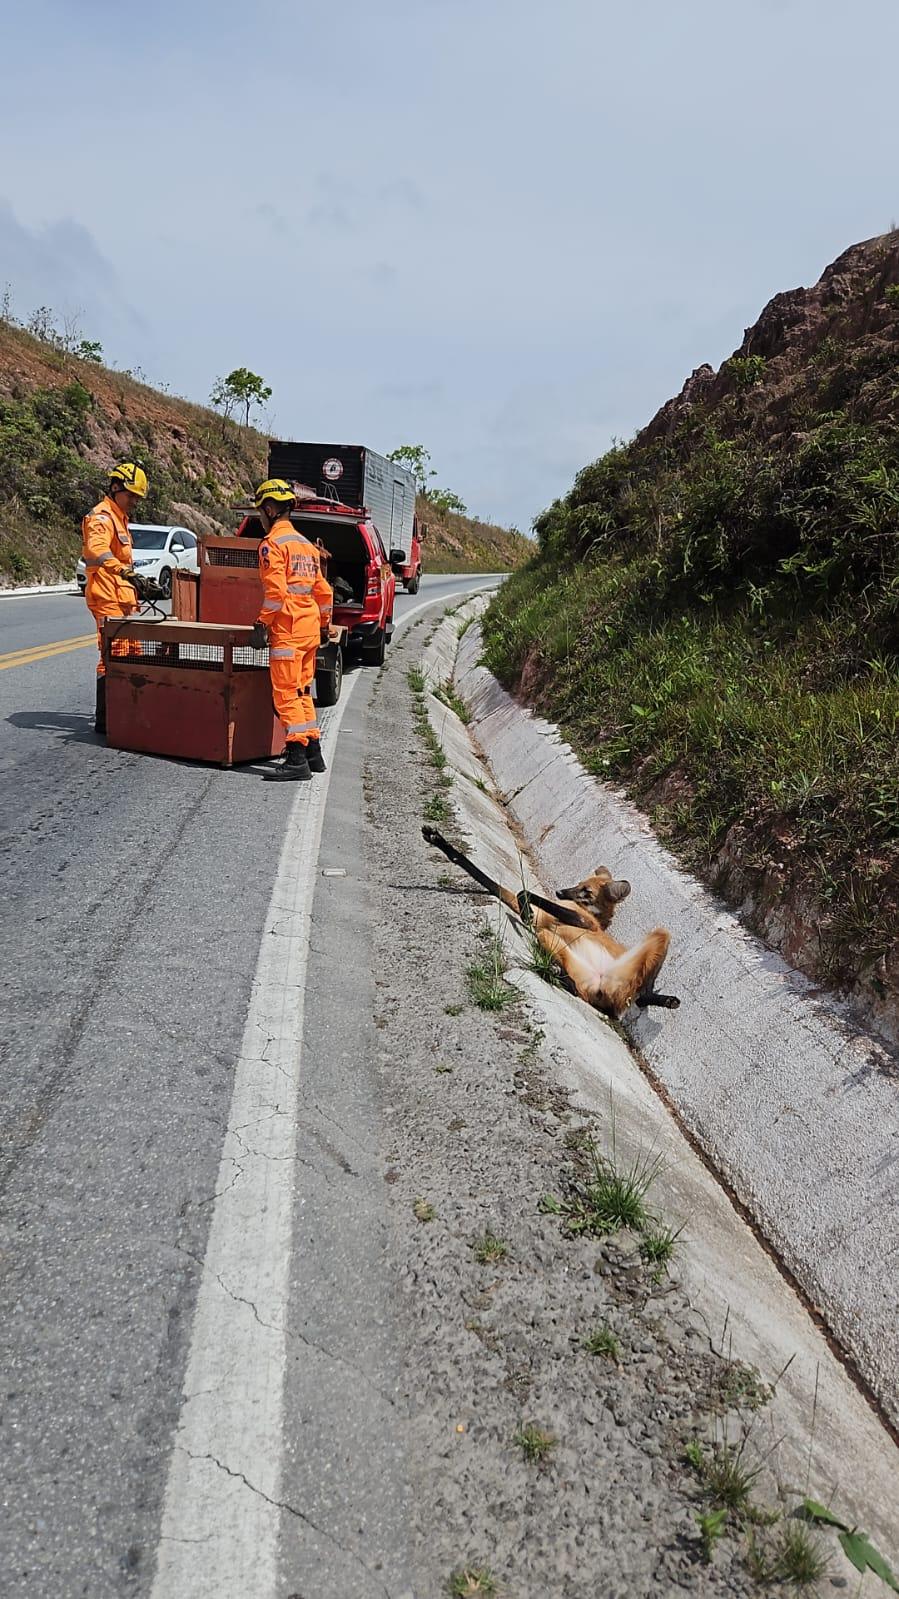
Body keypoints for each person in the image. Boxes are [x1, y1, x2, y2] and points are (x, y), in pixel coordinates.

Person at [250, 479, 333, 781]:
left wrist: (262, 624)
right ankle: (314, 752)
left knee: (285, 694)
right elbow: (324, 592)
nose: (260, 516)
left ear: (270, 509)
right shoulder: (307, 546)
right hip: (310, 628)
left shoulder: (272, 545)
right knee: (302, 692)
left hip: (288, 629)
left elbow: (275, 594)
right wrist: (324, 626)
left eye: (261, 511)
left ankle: (296, 757)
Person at [81, 462, 149, 733]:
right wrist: (123, 571)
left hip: (122, 597)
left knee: (133, 651)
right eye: (131, 495)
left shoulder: (120, 517)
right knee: (114, 654)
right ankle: (106, 718)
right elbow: (96, 551)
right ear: (115, 487)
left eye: (137, 497)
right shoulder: (101, 517)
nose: (134, 501)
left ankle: (126, 710)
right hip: (105, 594)